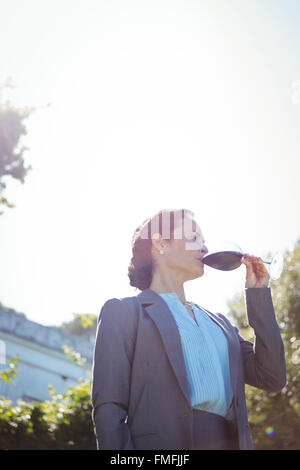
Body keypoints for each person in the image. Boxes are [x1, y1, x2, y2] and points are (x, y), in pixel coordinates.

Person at [91, 208, 286, 450]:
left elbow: (273, 377)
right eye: (194, 238)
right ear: (160, 242)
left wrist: (258, 294)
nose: (204, 248)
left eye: (204, 242)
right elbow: (109, 408)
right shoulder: (124, 313)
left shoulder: (220, 324)